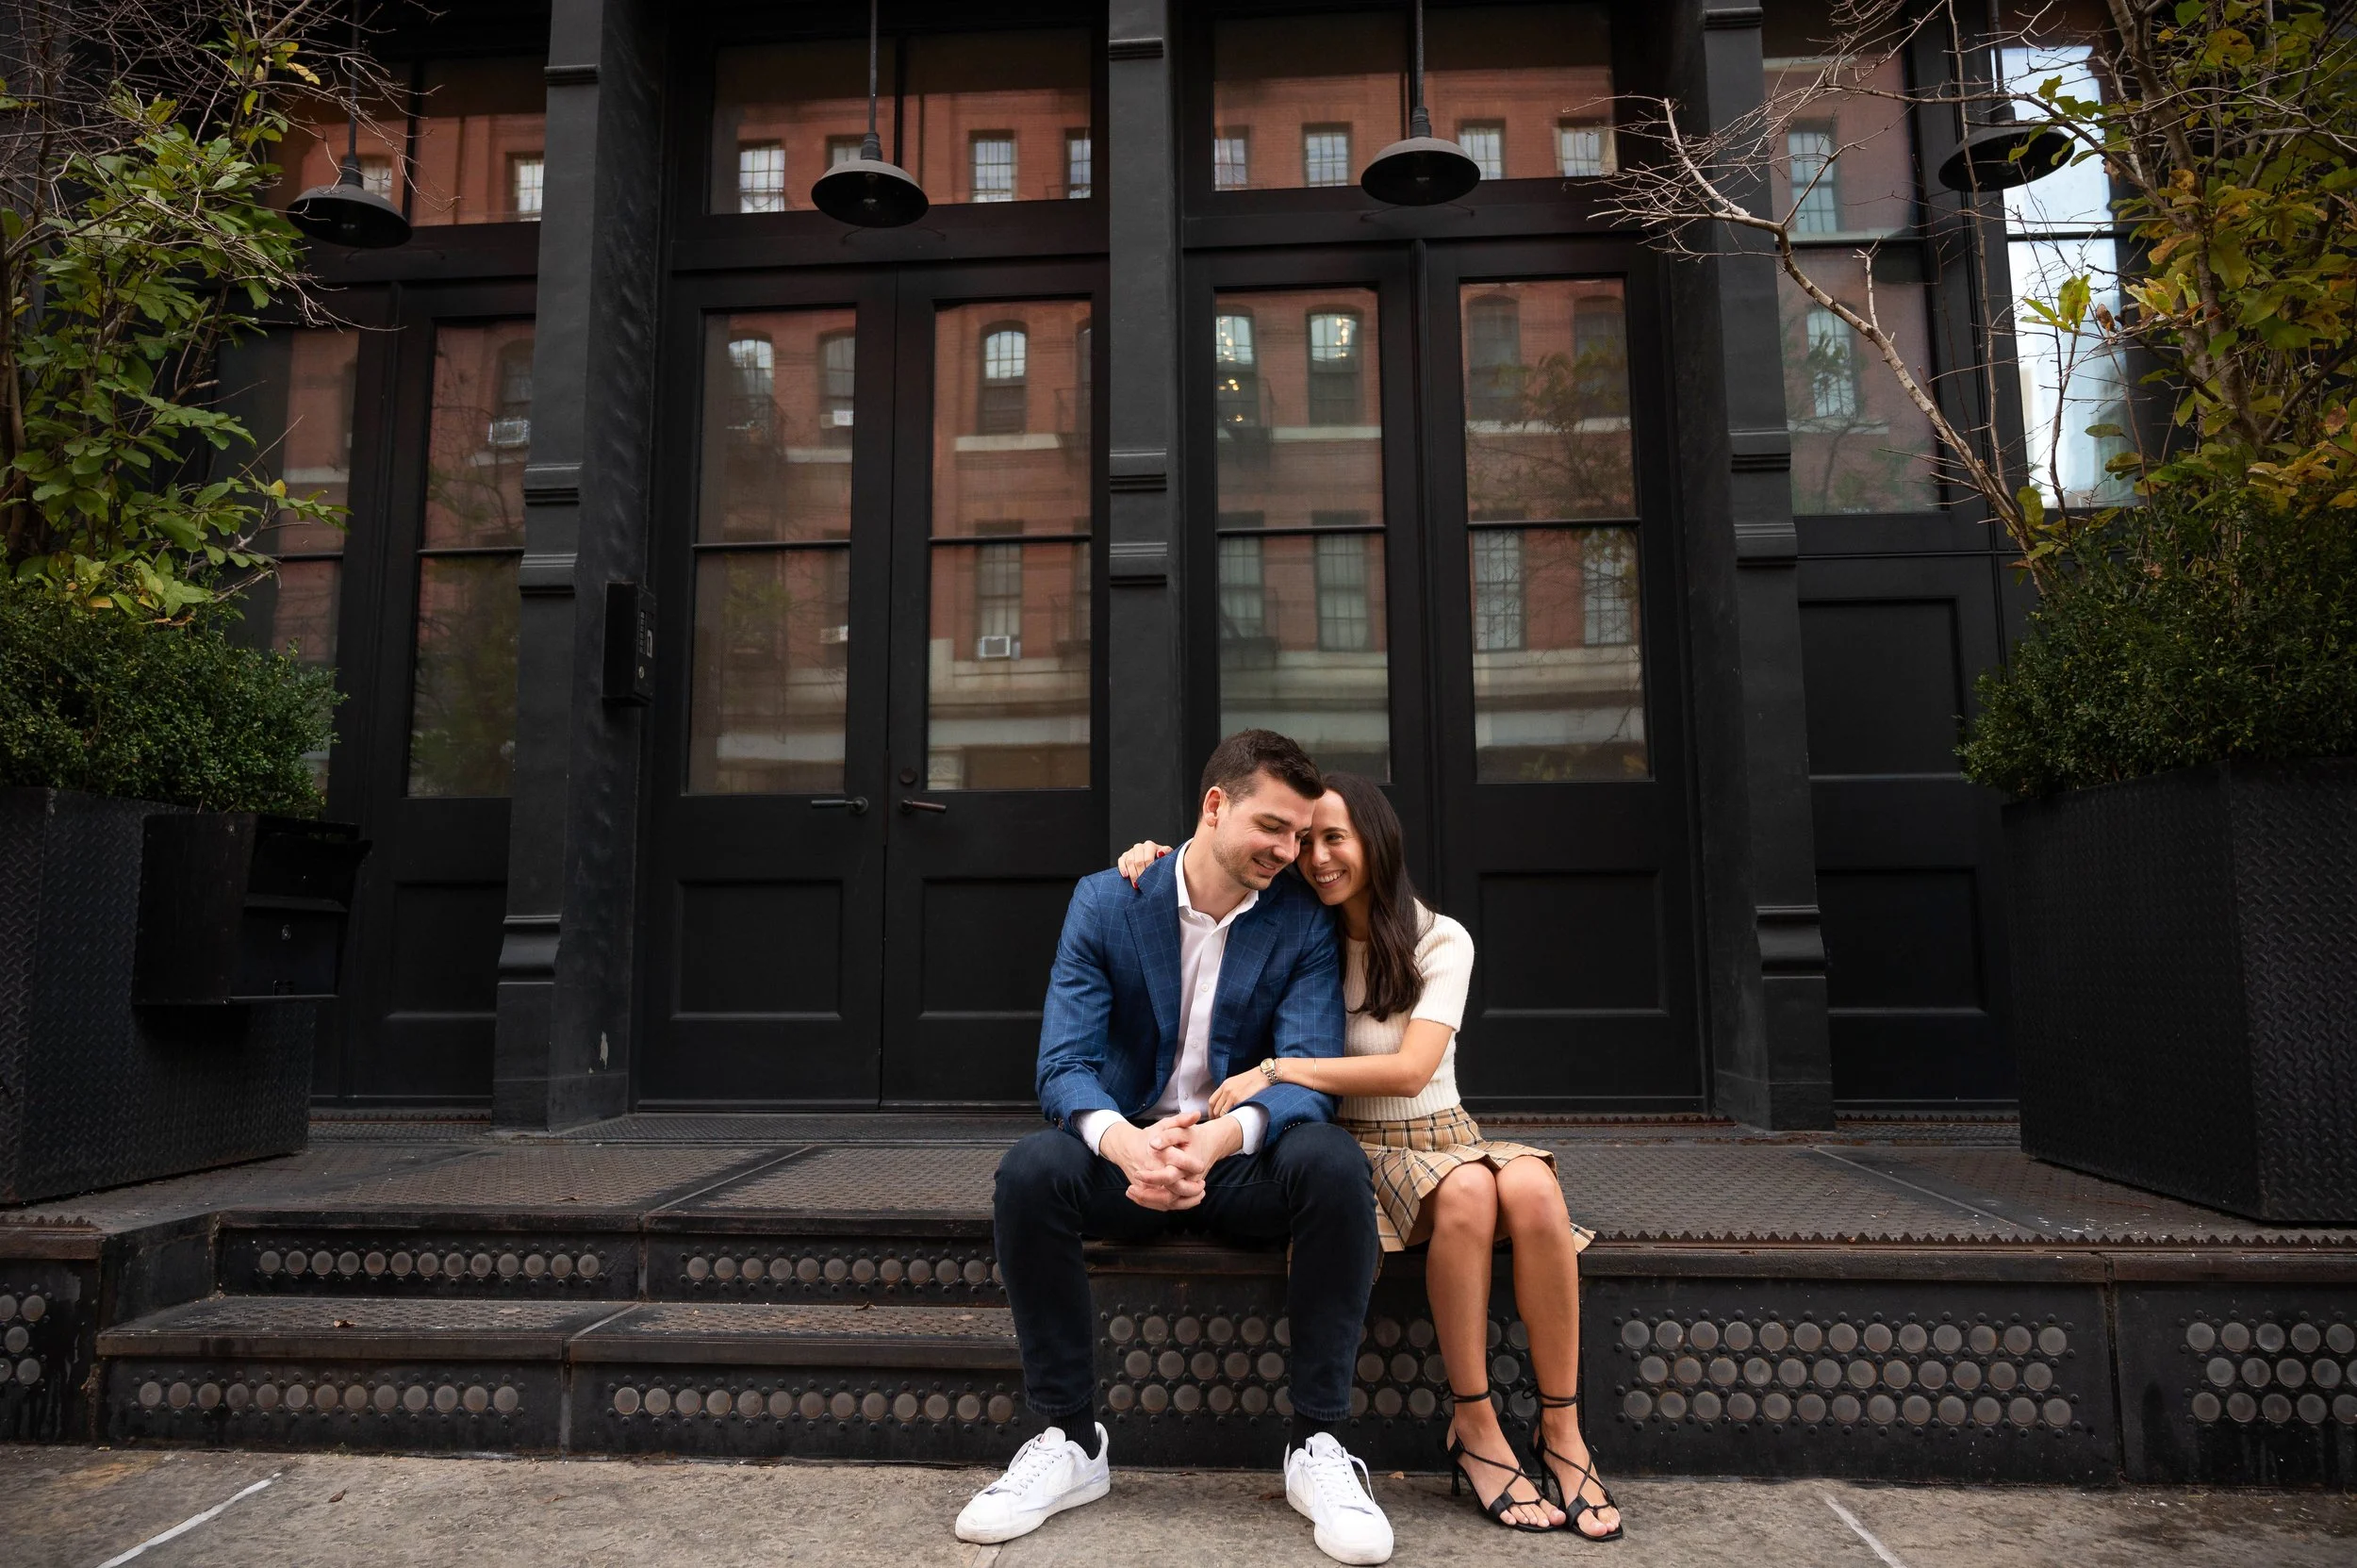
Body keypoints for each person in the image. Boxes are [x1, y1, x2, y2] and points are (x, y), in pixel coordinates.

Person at [1116, 773, 1623, 1542]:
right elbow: (1217, 862)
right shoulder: (1293, 929)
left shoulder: (1440, 937)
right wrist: (1157, 857)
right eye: (1305, 841)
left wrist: (1282, 1067)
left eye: (1334, 838)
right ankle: (1477, 1426)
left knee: (1537, 1191)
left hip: (1446, 1132)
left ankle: (1565, 1431)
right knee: (1468, 1198)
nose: (1315, 857)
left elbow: (1413, 1070)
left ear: (1376, 842)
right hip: (1364, 1150)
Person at [955, 730, 1394, 1566]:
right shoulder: (1108, 899)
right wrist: (1126, 1145)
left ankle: (1319, 1445)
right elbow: (1063, 1064)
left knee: (1334, 1163)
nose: (1288, 850)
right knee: (1030, 1170)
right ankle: (1070, 1438)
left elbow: (1306, 1080)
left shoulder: (1302, 921)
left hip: (1238, 1165)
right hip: (1129, 1155)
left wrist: (1223, 1137)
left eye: (1300, 834)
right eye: (1273, 826)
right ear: (1215, 806)